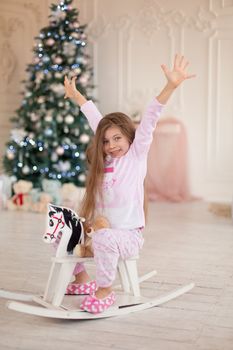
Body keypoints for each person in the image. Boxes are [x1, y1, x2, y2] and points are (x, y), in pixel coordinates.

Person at [63, 54, 195, 314]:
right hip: (101, 232)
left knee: (103, 237)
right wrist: (77, 97)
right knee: (63, 229)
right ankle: (81, 279)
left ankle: (105, 290)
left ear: (129, 137)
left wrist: (170, 86)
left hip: (127, 237)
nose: (111, 145)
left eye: (117, 139)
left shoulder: (136, 156)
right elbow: (95, 120)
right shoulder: (105, 163)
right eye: (106, 141)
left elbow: (150, 118)